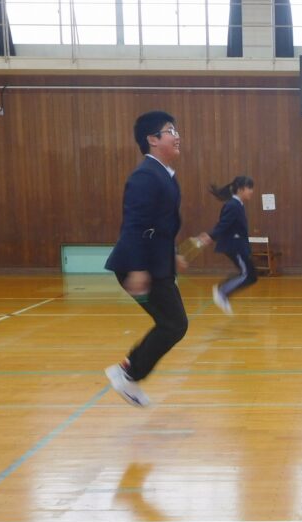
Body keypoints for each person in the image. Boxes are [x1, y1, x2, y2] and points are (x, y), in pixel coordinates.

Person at [104, 111, 188, 406]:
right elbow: (135, 223)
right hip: (139, 266)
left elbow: (161, 224)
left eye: (176, 130)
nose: (177, 135)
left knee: (173, 323)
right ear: (152, 140)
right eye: (170, 131)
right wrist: (138, 268)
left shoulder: (164, 175)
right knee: (174, 324)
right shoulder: (144, 176)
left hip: (156, 264)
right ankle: (127, 373)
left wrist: (173, 253)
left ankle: (128, 372)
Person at [197, 176, 258, 314]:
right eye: (249, 188)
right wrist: (210, 236)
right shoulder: (233, 205)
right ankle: (222, 291)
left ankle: (223, 292)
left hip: (239, 246)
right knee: (247, 275)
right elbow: (223, 224)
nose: (252, 191)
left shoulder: (238, 205)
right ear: (241, 189)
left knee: (251, 276)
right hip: (234, 246)